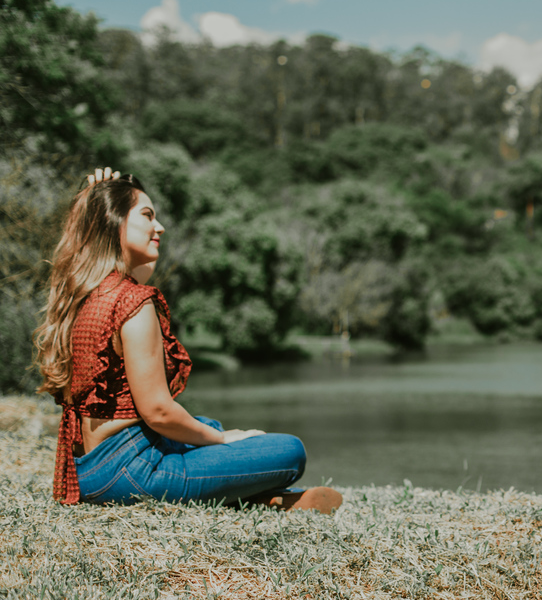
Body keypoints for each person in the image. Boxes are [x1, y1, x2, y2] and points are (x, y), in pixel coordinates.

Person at [33, 167, 342, 513]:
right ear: (114, 222)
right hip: (134, 472)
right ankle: (256, 493)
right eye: (147, 216)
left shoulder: (86, 295)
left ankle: (261, 497)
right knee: (288, 451)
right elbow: (159, 412)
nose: (159, 227)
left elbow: (108, 251)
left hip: (90, 469)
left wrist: (88, 202)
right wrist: (223, 441)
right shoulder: (132, 303)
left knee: (207, 427)